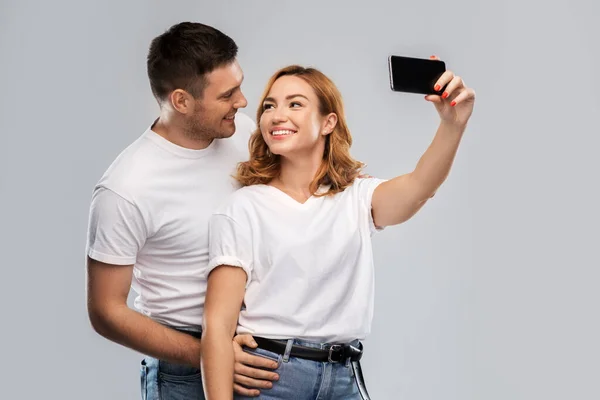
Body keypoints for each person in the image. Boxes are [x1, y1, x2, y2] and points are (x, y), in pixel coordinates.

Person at [201, 62, 475, 399]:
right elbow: (217, 325)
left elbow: (419, 187)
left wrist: (453, 125)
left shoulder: (357, 198)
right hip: (270, 377)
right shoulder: (241, 208)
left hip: (344, 377)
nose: (276, 115)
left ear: (328, 122)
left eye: (295, 104)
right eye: (269, 106)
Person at [85, 22, 280, 399]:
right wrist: (210, 354)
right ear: (181, 101)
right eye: (228, 94)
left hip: (261, 349)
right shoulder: (126, 189)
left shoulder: (241, 130)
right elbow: (106, 311)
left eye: (239, 85)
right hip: (185, 371)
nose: (242, 102)